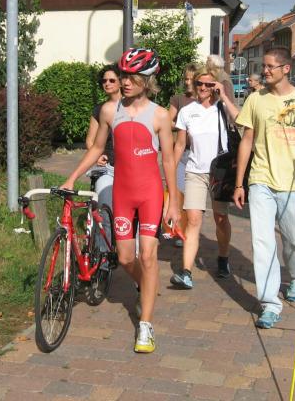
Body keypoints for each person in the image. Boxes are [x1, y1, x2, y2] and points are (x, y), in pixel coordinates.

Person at [62, 48, 179, 353]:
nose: (125, 82)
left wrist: (173, 203)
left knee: (148, 256)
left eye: (132, 77)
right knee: (126, 258)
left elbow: (168, 160)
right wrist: (72, 177)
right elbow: (95, 148)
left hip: (150, 193)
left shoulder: (160, 115)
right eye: (124, 75)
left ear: (147, 80)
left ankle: (146, 325)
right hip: (123, 192)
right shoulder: (109, 111)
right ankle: (147, 286)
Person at [232, 46, 295, 329]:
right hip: (261, 180)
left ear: (286, 69)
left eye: (271, 66)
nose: (265, 71)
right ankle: (270, 303)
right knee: (262, 242)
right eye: (264, 66)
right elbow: (247, 140)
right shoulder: (255, 99)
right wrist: (240, 182)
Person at [171, 63, 240, 288]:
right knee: (193, 220)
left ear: (215, 85)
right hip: (195, 171)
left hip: (220, 172)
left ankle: (223, 258)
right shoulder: (187, 111)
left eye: (208, 84)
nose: (202, 87)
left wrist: (224, 96)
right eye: (199, 83)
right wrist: (170, 168)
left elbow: (241, 120)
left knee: (221, 218)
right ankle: (186, 272)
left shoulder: (222, 107)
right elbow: (180, 144)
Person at [168, 63, 199, 247]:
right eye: (185, 79)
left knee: (192, 197)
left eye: (191, 79)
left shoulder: (205, 100)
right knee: (179, 192)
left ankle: (190, 229)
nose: (187, 82)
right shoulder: (178, 99)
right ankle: (180, 231)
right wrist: (182, 123)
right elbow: (167, 121)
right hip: (181, 152)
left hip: (198, 155)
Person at [85, 64, 122, 215]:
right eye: (104, 81)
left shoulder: (131, 106)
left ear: (121, 82)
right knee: (105, 207)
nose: (107, 83)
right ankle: (104, 230)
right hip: (107, 167)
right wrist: (98, 157)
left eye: (112, 80)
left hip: (129, 167)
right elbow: (90, 141)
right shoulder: (99, 109)